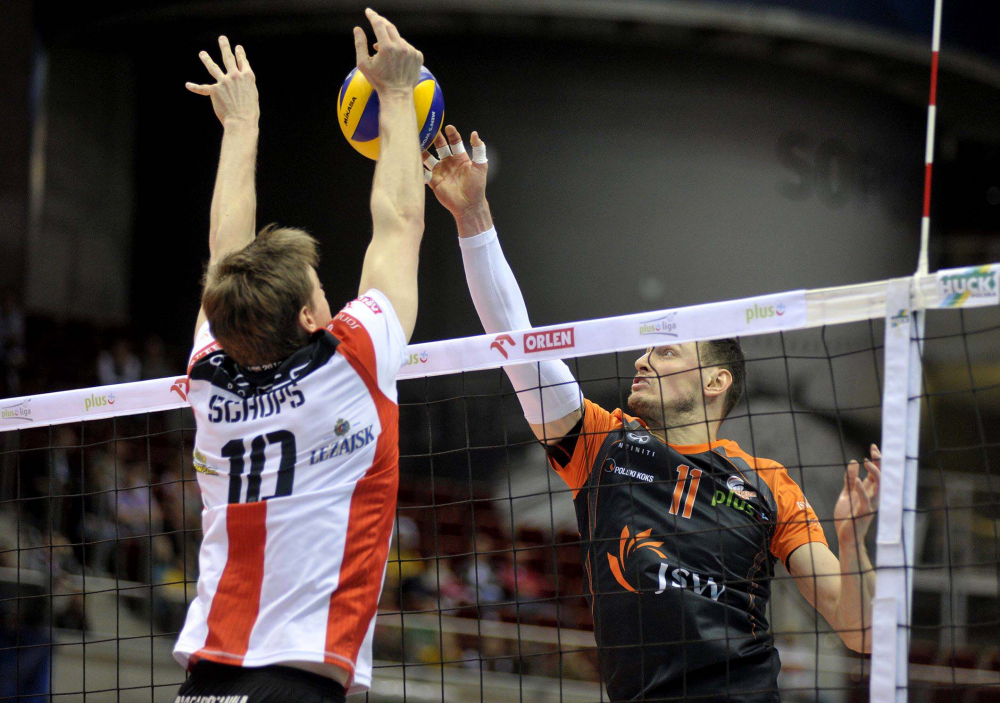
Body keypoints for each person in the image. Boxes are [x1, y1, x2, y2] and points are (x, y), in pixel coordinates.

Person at [425, 125, 881, 702]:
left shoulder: (769, 486)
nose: (642, 359)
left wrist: (851, 538)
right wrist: (472, 215)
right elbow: (517, 341)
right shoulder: (601, 445)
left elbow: (860, 632)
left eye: (665, 353)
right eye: (646, 349)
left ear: (715, 381)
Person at [172, 11, 426, 702]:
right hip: (299, 681)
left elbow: (225, 257)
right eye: (321, 288)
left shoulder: (210, 378)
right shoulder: (353, 361)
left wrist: (240, 126)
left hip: (205, 682)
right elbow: (400, 222)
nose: (332, 295)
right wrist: (397, 94)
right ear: (311, 318)